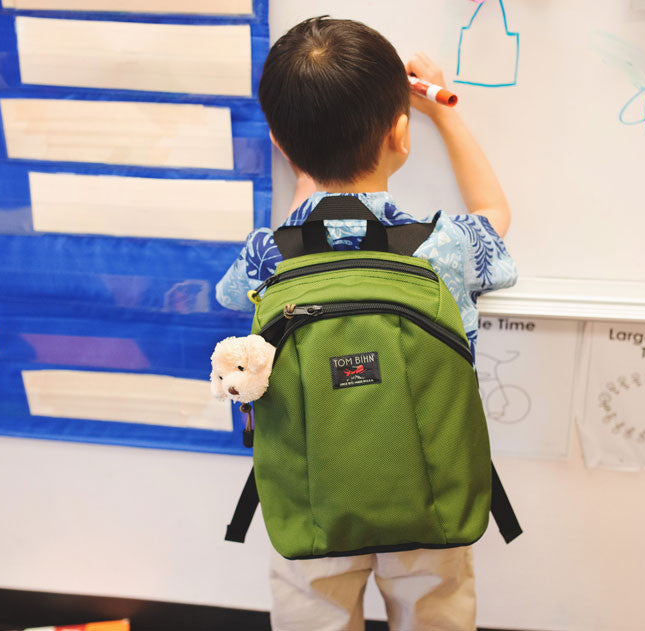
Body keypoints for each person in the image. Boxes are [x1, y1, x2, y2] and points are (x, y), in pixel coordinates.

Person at [216, 16, 517, 631]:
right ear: (399, 136)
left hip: (310, 493)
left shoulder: (267, 252)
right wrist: (445, 113)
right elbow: (495, 211)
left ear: (279, 143)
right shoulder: (447, 244)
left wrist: (305, 192)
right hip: (433, 492)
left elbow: (229, 298)